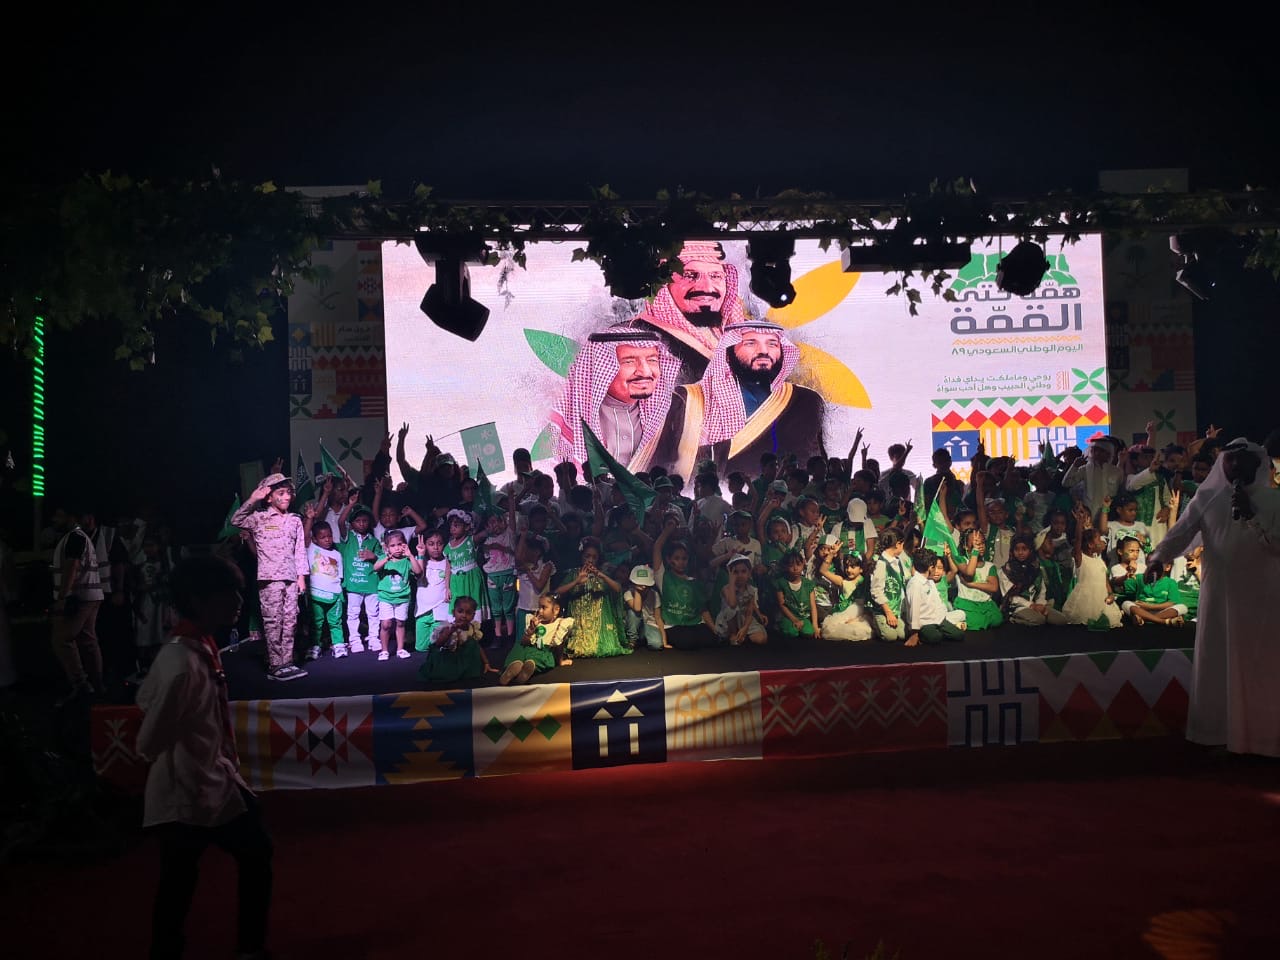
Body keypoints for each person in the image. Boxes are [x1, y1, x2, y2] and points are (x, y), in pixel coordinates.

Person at [135, 556, 273, 960]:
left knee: (189, 876)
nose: (238, 601)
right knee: (183, 880)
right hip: (186, 790)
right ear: (198, 600)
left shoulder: (192, 647)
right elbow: (148, 741)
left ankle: (244, 947)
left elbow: (145, 699)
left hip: (210, 780)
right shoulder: (183, 661)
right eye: (228, 593)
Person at [1146, 438, 1280, 755]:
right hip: (1219, 594)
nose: (1235, 467)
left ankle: (1262, 739)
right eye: (1229, 461)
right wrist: (1158, 558)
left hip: (1262, 597)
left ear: (1257, 464)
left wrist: (1250, 514)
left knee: (1261, 663)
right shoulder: (1208, 497)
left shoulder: (1274, 501)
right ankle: (1219, 732)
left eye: (1242, 461)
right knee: (1217, 659)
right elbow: (1182, 531)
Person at [655, 320, 826, 478]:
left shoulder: (807, 401)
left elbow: (814, 466)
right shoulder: (688, 399)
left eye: (772, 344)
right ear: (728, 351)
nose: (763, 351)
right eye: (750, 343)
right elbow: (661, 462)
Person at [550, 329, 681, 472]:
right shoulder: (564, 418)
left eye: (652, 360)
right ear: (601, 367)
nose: (646, 371)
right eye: (629, 361)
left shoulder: (673, 415)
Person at [626, 240, 747, 383]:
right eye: (689, 275)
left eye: (715, 276)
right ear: (664, 285)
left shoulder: (739, 332)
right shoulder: (636, 336)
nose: (707, 288)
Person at [230, 474, 308, 681]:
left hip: (291, 578)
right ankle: (275, 665)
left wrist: (301, 577)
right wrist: (253, 499)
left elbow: (300, 551)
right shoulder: (259, 518)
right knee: (273, 622)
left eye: (288, 493)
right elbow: (236, 520)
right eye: (280, 493)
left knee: (290, 621)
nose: (286, 497)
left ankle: (287, 662)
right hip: (270, 578)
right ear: (269, 497)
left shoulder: (295, 520)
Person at [49, 514, 105, 701]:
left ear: (69, 515)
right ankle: (97, 686)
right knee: (88, 641)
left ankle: (81, 685)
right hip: (90, 594)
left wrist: (62, 597)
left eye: (58, 515)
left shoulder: (74, 537)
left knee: (62, 640)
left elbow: (72, 565)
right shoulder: (81, 537)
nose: (54, 519)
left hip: (79, 597)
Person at [556, 537, 629, 659]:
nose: (590, 560)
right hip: (579, 623)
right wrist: (576, 582)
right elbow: (557, 592)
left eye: (594, 557)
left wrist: (601, 575)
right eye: (587, 556)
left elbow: (618, 589)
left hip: (600, 624)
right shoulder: (574, 574)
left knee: (608, 648)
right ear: (581, 556)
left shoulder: (602, 574)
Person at [1060, 502, 1122, 629]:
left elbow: (1105, 581)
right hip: (1085, 600)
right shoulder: (1081, 559)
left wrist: (1111, 594)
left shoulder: (1100, 561)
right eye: (1098, 540)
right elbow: (1078, 541)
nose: (1102, 542)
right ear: (1090, 545)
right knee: (1084, 621)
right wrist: (1079, 522)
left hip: (1101, 597)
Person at [336, 498, 382, 654]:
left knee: (373, 613)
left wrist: (373, 556)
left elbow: (382, 559)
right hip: (354, 584)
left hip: (371, 584)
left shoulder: (374, 541)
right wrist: (350, 504)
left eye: (365, 521)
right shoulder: (348, 537)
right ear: (352, 523)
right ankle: (355, 640)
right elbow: (340, 522)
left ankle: (374, 638)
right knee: (353, 614)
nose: (362, 524)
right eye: (358, 521)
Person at [418, 596, 499, 684]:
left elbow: (477, 646)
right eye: (460, 611)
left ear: (473, 615)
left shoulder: (472, 628)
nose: (464, 615)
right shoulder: (448, 627)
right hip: (448, 659)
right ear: (454, 612)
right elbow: (438, 644)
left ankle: (467, 671)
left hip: (463, 659)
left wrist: (486, 663)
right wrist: (449, 632)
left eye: (468, 613)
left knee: (472, 643)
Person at [499, 593, 575, 685]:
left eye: (543, 607)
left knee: (539, 659)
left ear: (556, 610)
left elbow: (560, 645)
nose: (540, 611)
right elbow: (524, 642)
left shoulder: (560, 624)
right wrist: (530, 630)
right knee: (518, 650)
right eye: (539, 607)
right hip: (528, 648)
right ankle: (510, 670)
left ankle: (526, 671)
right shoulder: (533, 621)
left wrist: (560, 661)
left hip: (544, 651)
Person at [997, 534, 1068, 626]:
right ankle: (1013, 619)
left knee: (1061, 620)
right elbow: (1010, 597)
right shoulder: (1006, 571)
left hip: (1036, 605)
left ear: (1030, 550)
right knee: (1039, 620)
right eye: (1017, 549)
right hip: (1017, 607)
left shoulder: (1035, 568)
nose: (1020, 553)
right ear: (1012, 551)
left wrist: (1040, 605)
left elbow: (1041, 591)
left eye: (1024, 549)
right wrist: (1031, 605)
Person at [903, 548, 967, 647]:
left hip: (938, 619)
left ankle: (938, 630)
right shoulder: (915, 584)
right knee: (935, 637)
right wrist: (914, 634)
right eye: (935, 567)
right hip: (924, 623)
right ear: (930, 568)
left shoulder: (930, 582)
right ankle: (923, 635)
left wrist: (942, 619)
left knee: (959, 635)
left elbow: (938, 602)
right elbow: (914, 610)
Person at [373, 530, 421, 661]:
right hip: (386, 597)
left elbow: (418, 572)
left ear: (405, 544)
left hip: (402, 597)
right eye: (393, 545)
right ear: (387, 547)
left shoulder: (407, 560)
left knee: (400, 623)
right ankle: (384, 650)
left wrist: (411, 555)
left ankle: (400, 649)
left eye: (400, 544)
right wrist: (386, 558)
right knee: (386, 624)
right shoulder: (384, 558)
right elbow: (375, 568)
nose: (397, 548)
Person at [815, 544, 874, 642]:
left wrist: (857, 619)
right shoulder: (842, 581)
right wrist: (831, 554)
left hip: (860, 615)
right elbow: (823, 570)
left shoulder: (865, 582)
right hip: (844, 612)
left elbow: (867, 603)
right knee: (831, 628)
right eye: (847, 566)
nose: (848, 570)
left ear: (861, 568)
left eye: (853, 567)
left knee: (859, 630)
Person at [304, 520, 345, 660]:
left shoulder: (337, 554)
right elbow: (305, 537)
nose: (327, 539)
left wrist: (339, 593)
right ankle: (315, 645)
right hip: (316, 594)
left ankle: (338, 644)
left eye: (329, 536)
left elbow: (339, 577)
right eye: (322, 537)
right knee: (317, 622)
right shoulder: (311, 549)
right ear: (314, 539)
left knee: (335, 622)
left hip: (334, 595)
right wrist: (309, 518)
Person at [1062, 437, 1123, 519]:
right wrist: (1074, 466)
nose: (1096, 453)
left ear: (1108, 453)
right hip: (1089, 514)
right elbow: (1066, 483)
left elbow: (1120, 491)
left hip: (1110, 513)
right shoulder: (1085, 469)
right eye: (1094, 450)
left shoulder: (1116, 471)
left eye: (1100, 451)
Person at [715, 555, 768, 645]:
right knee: (731, 609)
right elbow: (732, 604)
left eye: (743, 571)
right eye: (735, 572)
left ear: (749, 573)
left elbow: (749, 611)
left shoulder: (750, 590)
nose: (740, 575)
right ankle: (733, 634)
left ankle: (743, 634)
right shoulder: (726, 589)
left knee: (761, 639)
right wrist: (731, 581)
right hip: (729, 621)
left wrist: (745, 627)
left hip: (743, 618)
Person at [413, 531, 452, 652]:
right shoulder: (420, 561)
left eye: (439, 543)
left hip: (440, 609)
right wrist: (420, 554)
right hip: (423, 610)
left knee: (437, 646)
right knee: (421, 647)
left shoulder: (447, 562)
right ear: (425, 545)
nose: (435, 547)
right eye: (431, 544)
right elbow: (419, 575)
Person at [774, 549, 820, 639]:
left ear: (803, 564)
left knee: (809, 633)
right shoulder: (781, 583)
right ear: (786, 566)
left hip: (803, 617)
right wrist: (794, 620)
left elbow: (813, 606)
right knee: (792, 633)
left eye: (798, 564)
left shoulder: (808, 584)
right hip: (788, 617)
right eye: (791, 565)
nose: (795, 568)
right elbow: (782, 605)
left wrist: (815, 625)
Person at [623, 563, 668, 650]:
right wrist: (637, 591)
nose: (643, 586)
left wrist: (664, 640)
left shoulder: (654, 594)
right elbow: (637, 609)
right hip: (634, 626)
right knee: (632, 612)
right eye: (640, 584)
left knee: (657, 645)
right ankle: (632, 640)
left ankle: (642, 640)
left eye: (646, 584)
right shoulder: (628, 593)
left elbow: (658, 618)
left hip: (649, 625)